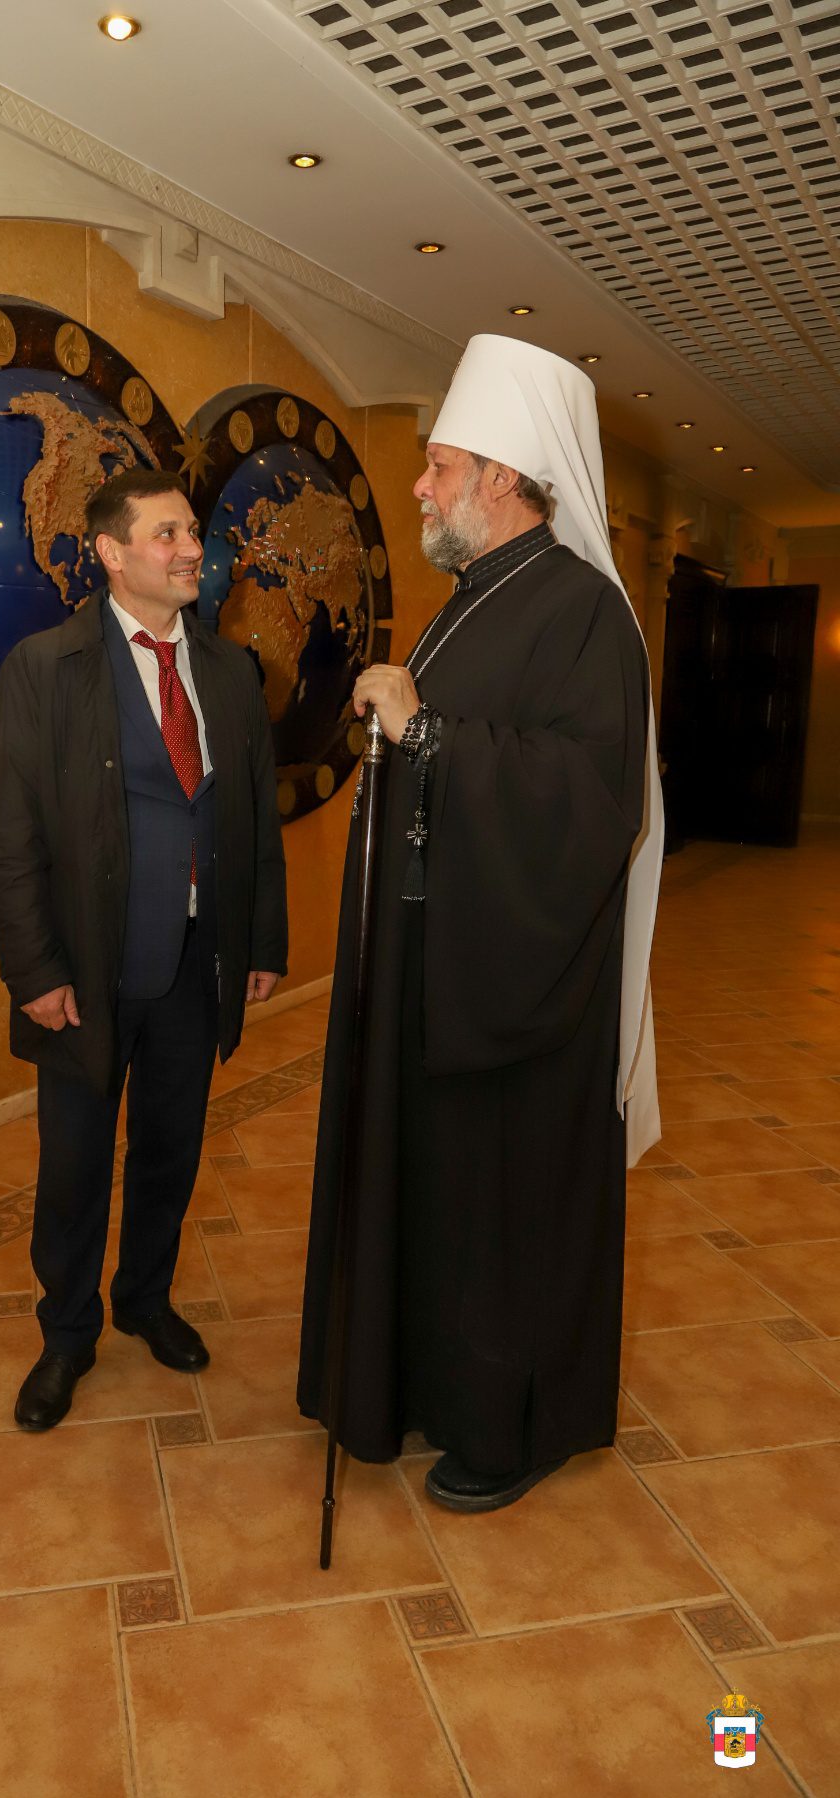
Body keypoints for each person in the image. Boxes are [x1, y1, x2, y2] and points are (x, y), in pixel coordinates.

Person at [298, 336, 663, 1513]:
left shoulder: (585, 612)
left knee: (505, 1214)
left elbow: (590, 800)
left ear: (502, 477)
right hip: (435, 964)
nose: (420, 486)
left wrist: (428, 733)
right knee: (437, 1198)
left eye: (439, 465)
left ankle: (515, 1427)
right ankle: (422, 1383)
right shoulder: (473, 601)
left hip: (518, 990)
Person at [0, 466, 287, 1431]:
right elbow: (11, 837)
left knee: (170, 1149)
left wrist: (260, 940)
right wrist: (34, 972)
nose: (193, 549)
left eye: (193, 531)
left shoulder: (230, 671)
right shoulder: (47, 667)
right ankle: (66, 1334)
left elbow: (253, 820)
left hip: (197, 964)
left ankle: (145, 1299)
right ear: (113, 553)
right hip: (88, 971)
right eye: (168, 534)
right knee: (75, 1165)